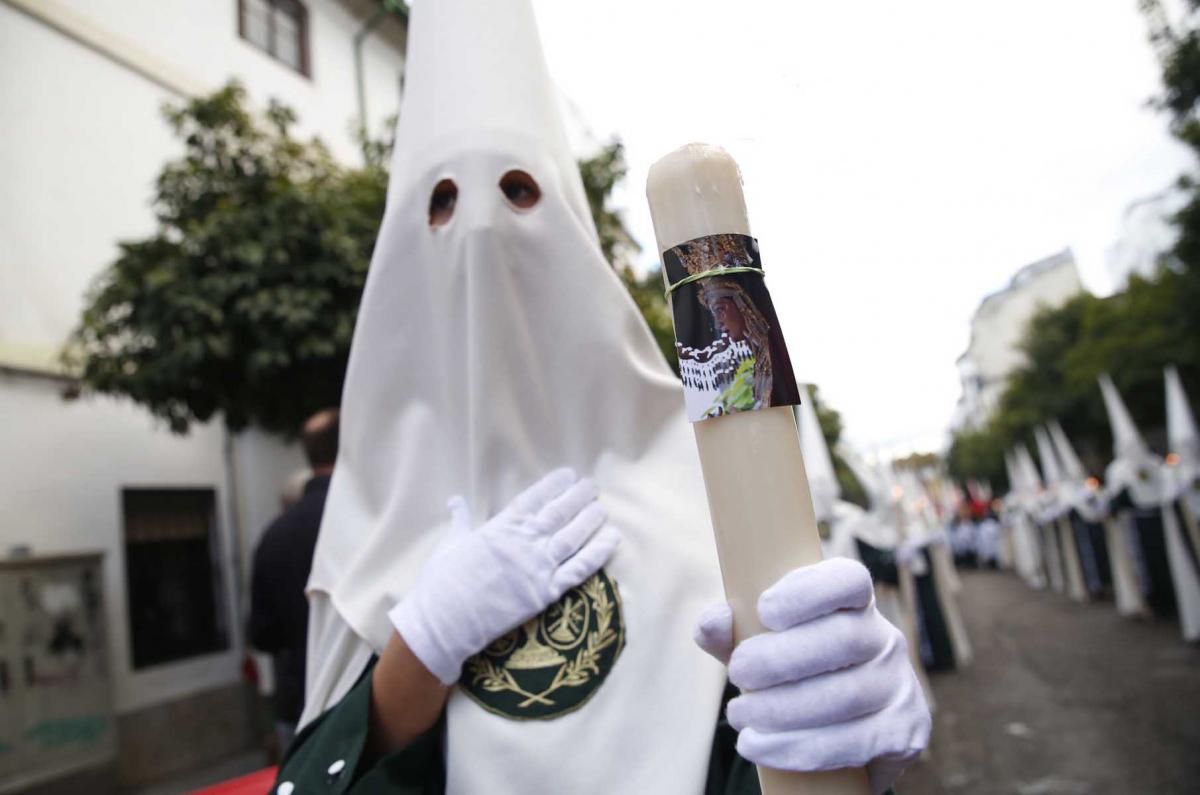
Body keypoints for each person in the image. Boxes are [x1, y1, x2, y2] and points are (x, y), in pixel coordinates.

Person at [276, 1, 930, 793]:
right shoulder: (367, 529)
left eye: (518, 191)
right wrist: (417, 652)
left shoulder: (707, 490)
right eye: (439, 201)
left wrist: (843, 740)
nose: (479, 225)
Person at [249, 408, 339, 752]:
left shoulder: (274, 535)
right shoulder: (378, 521)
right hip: (371, 705)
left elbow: (261, 633)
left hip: (299, 702)